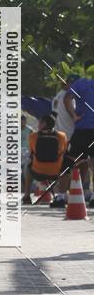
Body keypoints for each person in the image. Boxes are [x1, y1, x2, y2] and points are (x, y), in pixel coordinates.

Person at [54, 74, 94, 207]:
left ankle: (60, 197)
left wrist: (74, 116)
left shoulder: (81, 83)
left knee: (68, 161)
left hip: (82, 130)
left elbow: (67, 98)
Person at [22, 114, 67, 204]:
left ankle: (27, 196)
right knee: (67, 167)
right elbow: (63, 152)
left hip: (37, 172)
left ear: (44, 124)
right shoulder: (62, 136)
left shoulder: (33, 136)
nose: (38, 125)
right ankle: (62, 195)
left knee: (28, 166)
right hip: (56, 173)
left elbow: (31, 154)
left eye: (39, 123)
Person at [50, 73, 79, 207]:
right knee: (69, 165)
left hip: (59, 135)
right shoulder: (69, 97)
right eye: (73, 83)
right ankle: (62, 195)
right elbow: (72, 114)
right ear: (67, 83)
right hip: (69, 135)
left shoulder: (57, 97)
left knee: (64, 166)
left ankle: (62, 194)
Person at [20, 114, 32, 194]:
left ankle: (26, 188)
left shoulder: (29, 130)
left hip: (27, 153)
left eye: (23, 121)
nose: (22, 123)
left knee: (26, 171)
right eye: (21, 121)